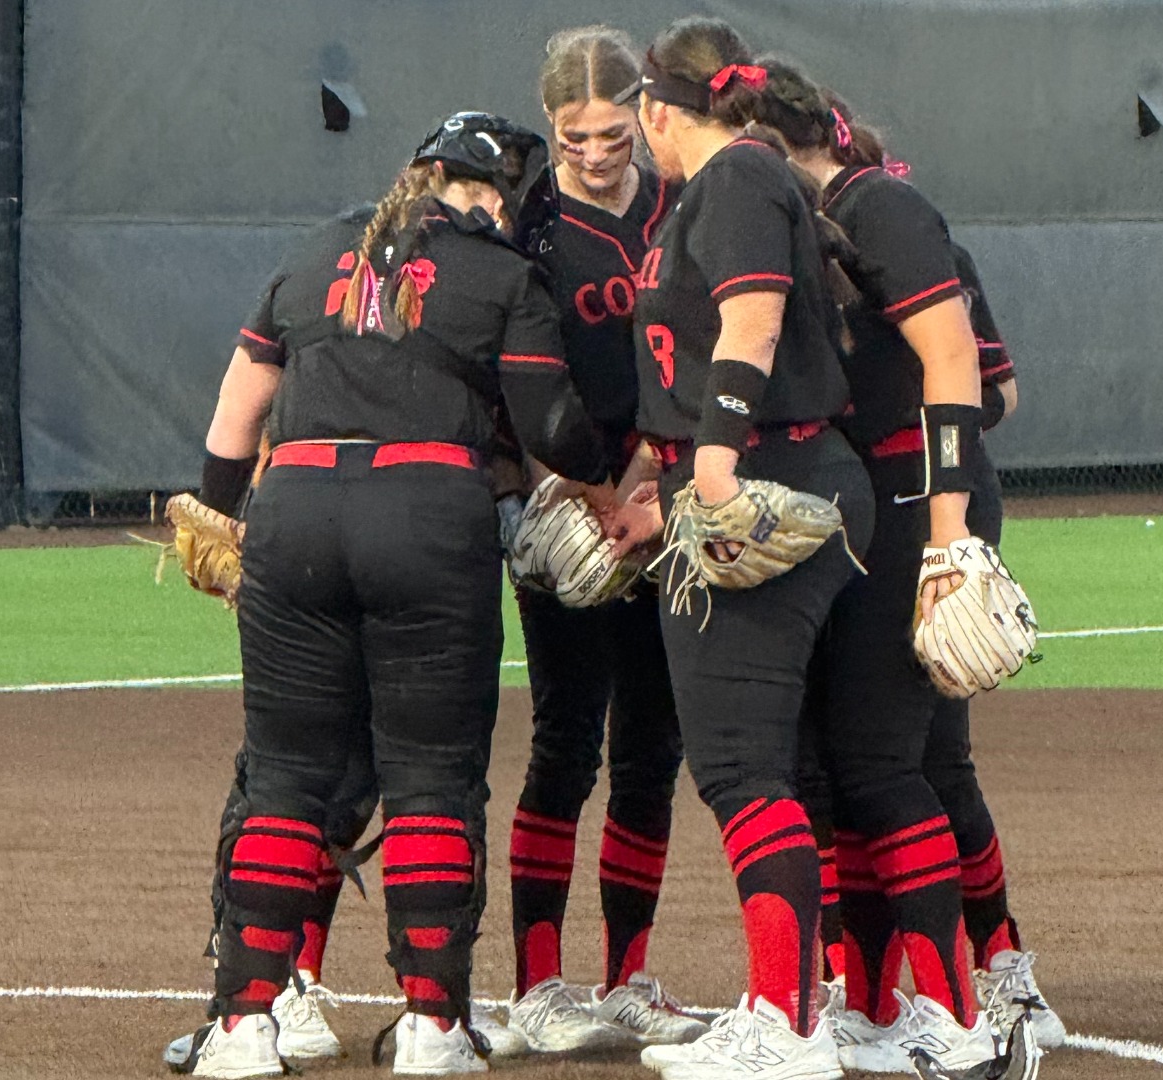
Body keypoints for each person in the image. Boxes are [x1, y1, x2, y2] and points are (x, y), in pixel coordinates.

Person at [161, 112, 613, 1078]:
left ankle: (244, 1024)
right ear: (495, 196)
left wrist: (218, 515)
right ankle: (432, 1025)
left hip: (294, 517)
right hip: (428, 516)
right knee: (431, 779)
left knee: (284, 777)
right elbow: (549, 423)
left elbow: (238, 411)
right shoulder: (502, 273)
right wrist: (617, 470)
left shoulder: (316, 251)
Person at [753, 59, 1064, 1061]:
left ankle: (991, 983)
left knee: (910, 763)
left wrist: (947, 520)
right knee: (843, 763)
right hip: (843, 510)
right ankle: (871, 992)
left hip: (913, 507)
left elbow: (992, 386)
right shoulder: (777, 231)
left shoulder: (883, 213)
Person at [607, 17, 874, 1080]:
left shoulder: (737, 177)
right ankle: (809, 1003)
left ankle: (788, 1020)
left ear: (656, 111)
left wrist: (711, 469)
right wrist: (658, 487)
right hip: (768, 473)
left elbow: (752, 321)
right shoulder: (722, 186)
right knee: (785, 763)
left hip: (769, 476)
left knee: (738, 766)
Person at [499, 24, 705, 1053]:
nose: (591, 152)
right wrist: (564, 490)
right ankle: (537, 986)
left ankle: (628, 976)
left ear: (643, 114)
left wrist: (655, 478)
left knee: (652, 749)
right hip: (573, 507)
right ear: (549, 126)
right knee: (566, 742)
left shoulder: (682, 204)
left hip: (663, 505)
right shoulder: (530, 226)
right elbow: (515, 374)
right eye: (571, 135)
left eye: (611, 132)